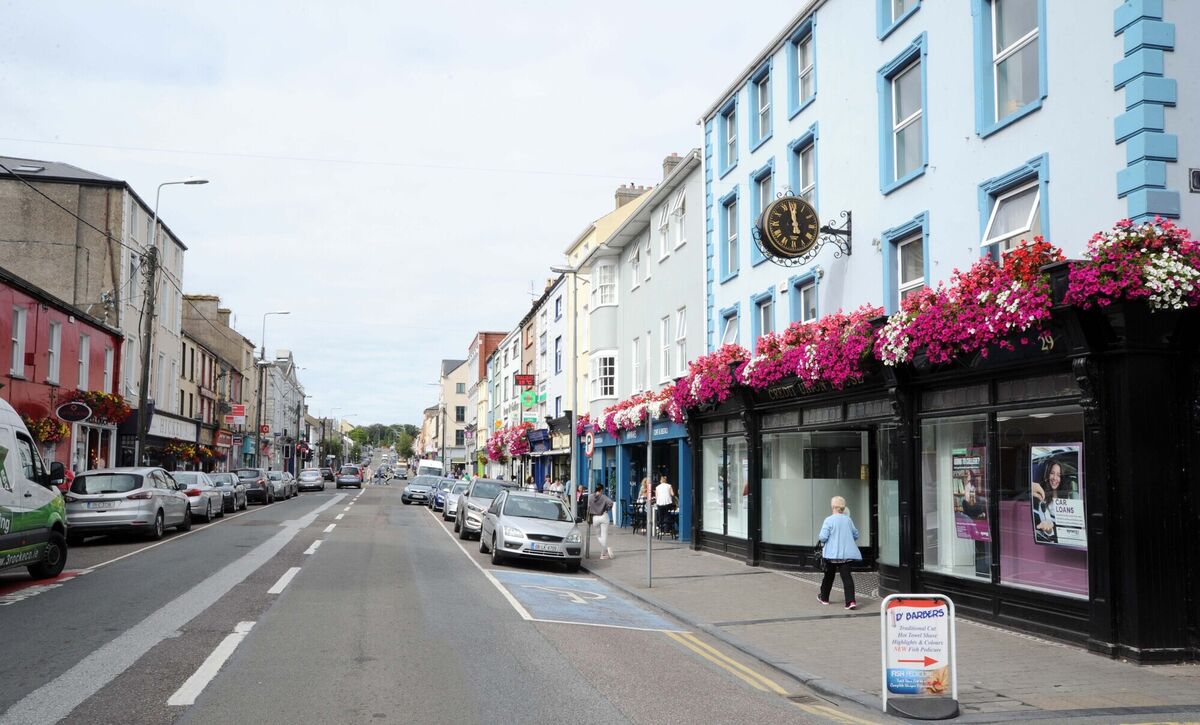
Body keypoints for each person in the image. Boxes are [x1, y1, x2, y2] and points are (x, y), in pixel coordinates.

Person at [817, 495, 862, 610]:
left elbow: (822, 537)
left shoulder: (829, 520)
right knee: (847, 578)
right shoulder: (848, 520)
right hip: (845, 556)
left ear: (833, 506)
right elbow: (856, 535)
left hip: (831, 556)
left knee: (828, 577)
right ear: (843, 507)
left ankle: (824, 598)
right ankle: (850, 601)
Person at [1031, 460, 1064, 543]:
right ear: (1047, 475)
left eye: (1058, 475)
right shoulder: (1043, 498)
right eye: (1052, 473)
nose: (1055, 478)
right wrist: (1048, 529)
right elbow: (1048, 528)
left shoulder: (1068, 494)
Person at [588, 485, 615, 560]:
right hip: (604, 516)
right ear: (601, 490)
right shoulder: (603, 497)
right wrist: (606, 508)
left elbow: (588, 506)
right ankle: (603, 554)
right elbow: (611, 503)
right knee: (604, 536)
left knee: (598, 536)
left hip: (595, 517)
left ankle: (605, 551)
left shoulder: (590, 497)